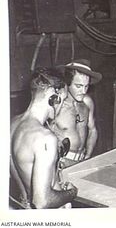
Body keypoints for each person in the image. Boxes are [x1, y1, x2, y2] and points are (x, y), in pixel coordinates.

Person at [10, 67, 78, 209]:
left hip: (24, 206)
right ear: (54, 97)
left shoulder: (12, 124)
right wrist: (71, 192)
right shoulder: (45, 138)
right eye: (63, 100)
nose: (61, 107)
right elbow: (42, 202)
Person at [51, 59, 102, 167]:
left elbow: (92, 130)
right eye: (78, 86)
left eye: (86, 86)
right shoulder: (56, 106)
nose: (83, 91)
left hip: (81, 160)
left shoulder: (87, 102)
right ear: (67, 83)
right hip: (61, 162)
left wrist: (88, 155)